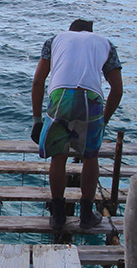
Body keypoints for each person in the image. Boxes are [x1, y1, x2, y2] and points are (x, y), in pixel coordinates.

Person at [30, 19, 123, 230]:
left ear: (70, 30)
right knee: (90, 157)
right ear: (91, 32)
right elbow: (117, 90)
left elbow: (38, 81)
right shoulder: (105, 44)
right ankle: (86, 215)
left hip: (61, 95)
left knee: (58, 156)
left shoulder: (54, 40)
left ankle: (58, 216)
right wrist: (103, 121)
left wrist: (37, 120)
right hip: (91, 98)